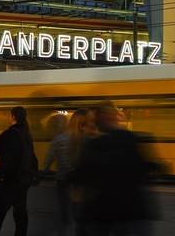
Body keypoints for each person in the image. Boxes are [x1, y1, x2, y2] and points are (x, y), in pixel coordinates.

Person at [71, 101, 157, 235]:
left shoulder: (93, 145)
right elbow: (145, 171)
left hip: (103, 212)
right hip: (133, 210)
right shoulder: (135, 139)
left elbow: (79, 175)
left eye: (95, 119)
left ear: (101, 119)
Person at [0, 107, 37, 236]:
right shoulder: (27, 135)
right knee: (20, 217)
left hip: (8, 183)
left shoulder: (9, 133)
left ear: (13, 117)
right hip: (23, 183)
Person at [44, 110, 89, 229]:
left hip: (63, 178)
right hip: (79, 179)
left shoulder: (58, 139)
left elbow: (49, 159)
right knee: (79, 206)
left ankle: (66, 225)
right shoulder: (85, 139)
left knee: (64, 207)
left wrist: (45, 171)